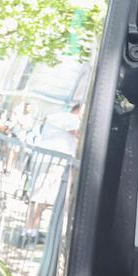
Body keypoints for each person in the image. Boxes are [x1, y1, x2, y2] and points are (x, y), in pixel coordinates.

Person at [23, 104, 80, 246]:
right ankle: (30, 233)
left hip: (47, 160)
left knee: (39, 198)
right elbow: (79, 136)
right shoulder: (72, 119)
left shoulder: (57, 117)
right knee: (43, 199)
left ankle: (30, 231)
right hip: (55, 163)